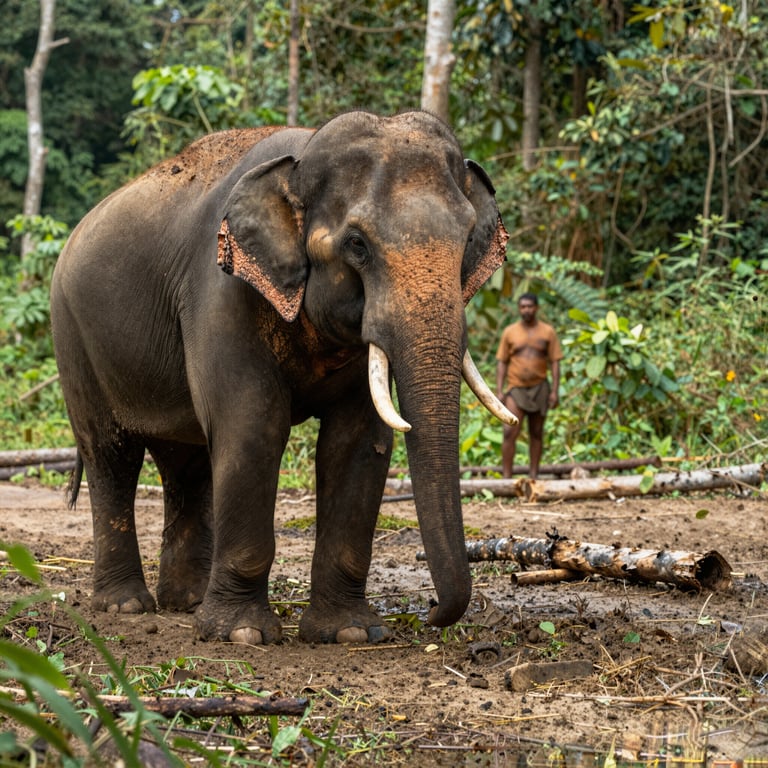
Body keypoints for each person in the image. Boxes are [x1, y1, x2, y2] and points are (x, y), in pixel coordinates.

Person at [495, 293, 563, 480]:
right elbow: (502, 362)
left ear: (536, 308)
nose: (526, 310)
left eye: (530, 306)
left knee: (536, 432)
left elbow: (555, 362)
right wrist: (499, 391)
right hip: (515, 388)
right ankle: (506, 479)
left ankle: (534, 476)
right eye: (523, 306)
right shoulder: (510, 332)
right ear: (519, 308)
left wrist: (555, 391)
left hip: (540, 387)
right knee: (509, 432)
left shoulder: (547, 332)